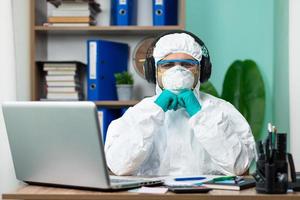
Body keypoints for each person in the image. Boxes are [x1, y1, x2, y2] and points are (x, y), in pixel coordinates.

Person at [104, 30, 257, 176]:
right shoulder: (139, 113)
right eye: (167, 65)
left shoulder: (222, 110)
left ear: (200, 70)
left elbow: (239, 166)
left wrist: (201, 116)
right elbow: (119, 166)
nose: (178, 71)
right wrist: (154, 112)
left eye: (187, 64)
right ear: (154, 71)